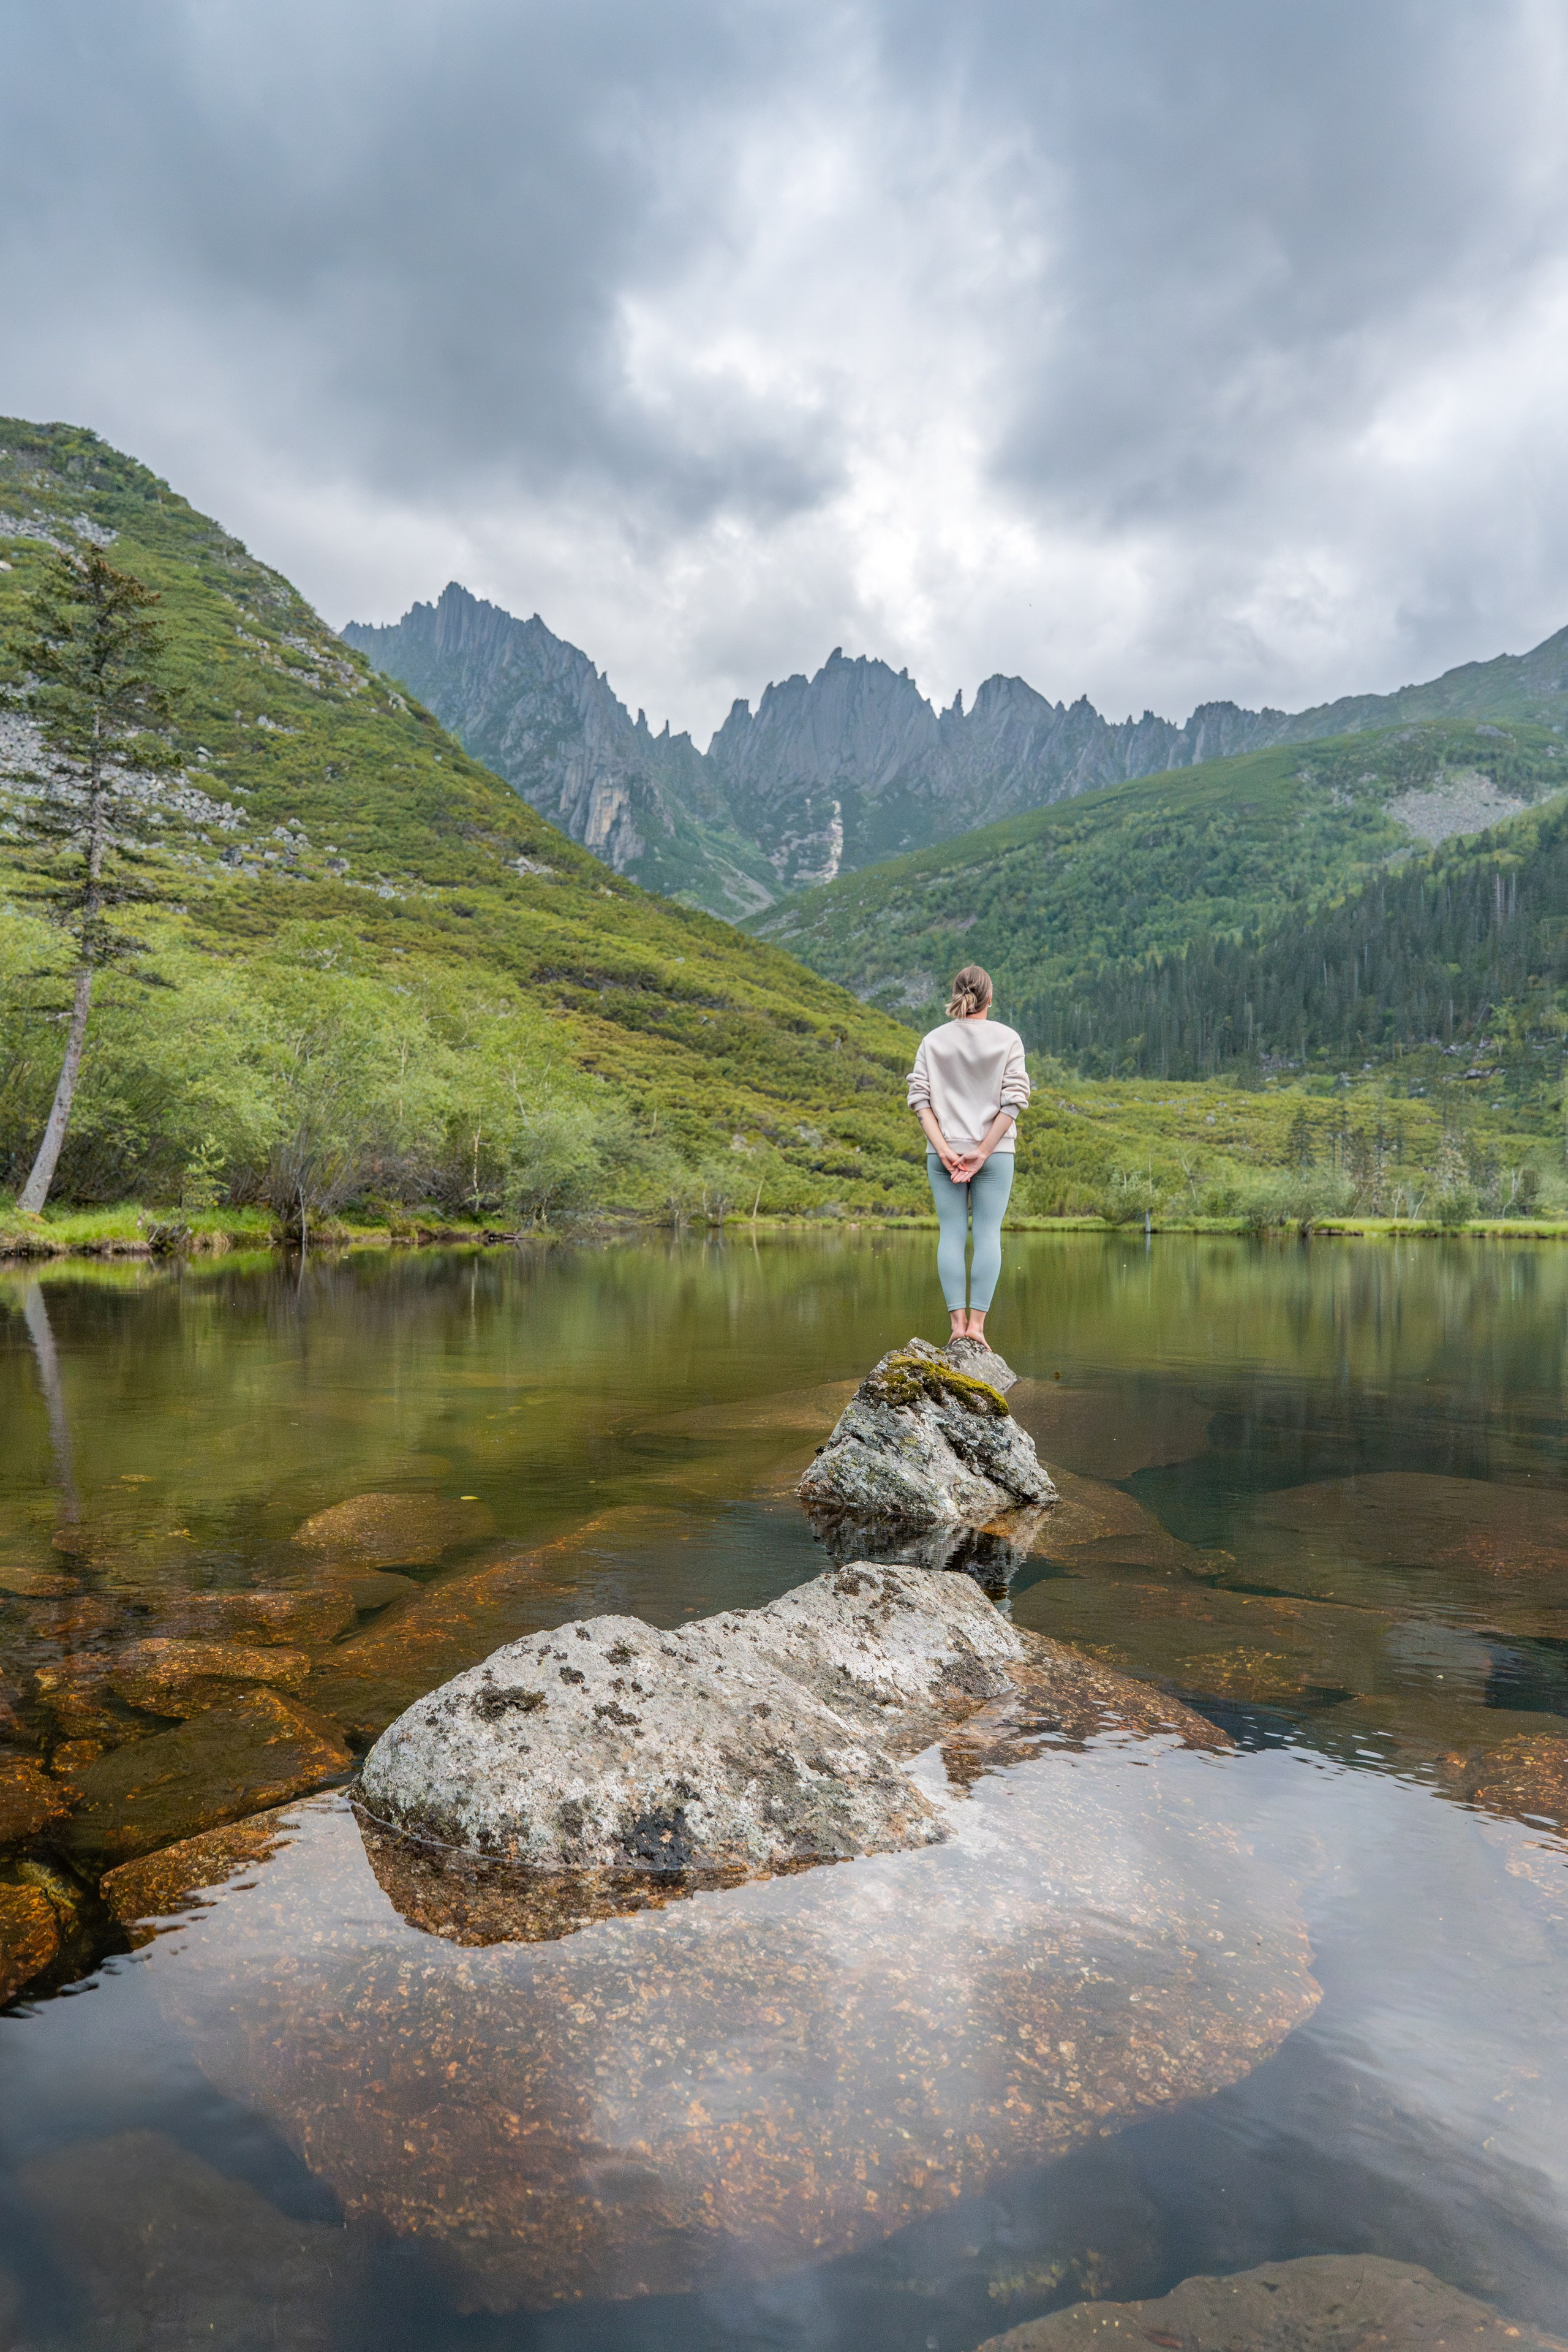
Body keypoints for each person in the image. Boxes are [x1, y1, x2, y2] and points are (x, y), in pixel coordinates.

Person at [906, 965, 1030, 1345]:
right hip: (994, 1153)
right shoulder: (1008, 1039)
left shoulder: (933, 1041)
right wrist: (982, 1151)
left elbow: (919, 1100)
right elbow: (1015, 1102)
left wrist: (944, 1149)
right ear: (990, 999)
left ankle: (957, 1327)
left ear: (957, 994)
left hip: (942, 1154)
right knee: (988, 1233)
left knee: (952, 1235)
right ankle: (977, 1328)